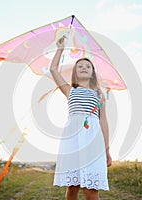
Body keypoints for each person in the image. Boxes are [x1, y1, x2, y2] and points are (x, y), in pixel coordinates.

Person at [51, 36, 112, 200]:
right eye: (80, 66)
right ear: (75, 73)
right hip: (73, 140)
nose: (84, 67)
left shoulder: (99, 95)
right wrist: (60, 49)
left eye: (88, 66)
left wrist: (107, 150)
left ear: (92, 73)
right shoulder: (69, 90)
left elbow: (103, 123)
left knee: (91, 190)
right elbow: (53, 70)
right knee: (73, 186)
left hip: (93, 140)